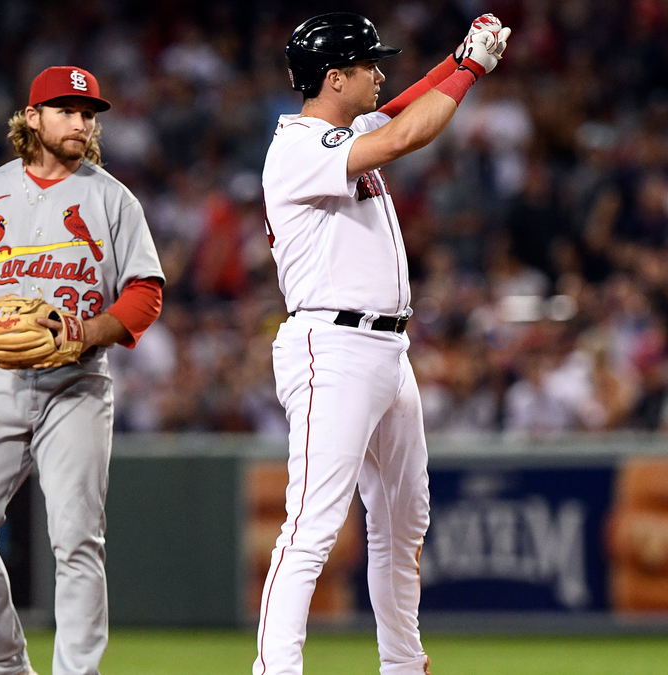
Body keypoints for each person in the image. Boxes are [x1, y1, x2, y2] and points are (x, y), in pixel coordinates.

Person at [255, 13, 509, 675]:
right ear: (334, 77)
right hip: (330, 345)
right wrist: (474, 70)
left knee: (403, 522)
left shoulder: (346, 130)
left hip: (386, 350)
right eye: (367, 64)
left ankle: (401, 662)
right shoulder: (298, 147)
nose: (379, 72)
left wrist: (457, 58)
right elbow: (406, 131)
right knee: (311, 523)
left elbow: (407, 101)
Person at [0, 66, 164, 675]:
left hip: (77, 384)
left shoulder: (112, 197)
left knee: (78, 541)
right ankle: (4, 662)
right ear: (32, 118)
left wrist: (88, 333)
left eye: (89, 114)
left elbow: (144, 294)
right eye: (67, 111)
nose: (82, 123)